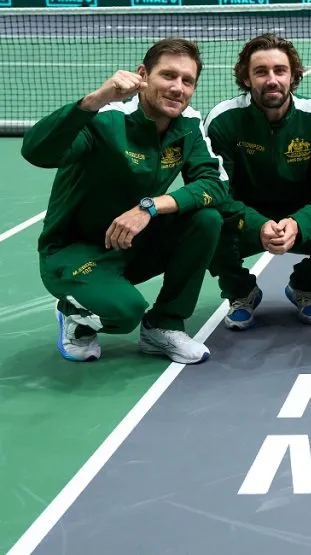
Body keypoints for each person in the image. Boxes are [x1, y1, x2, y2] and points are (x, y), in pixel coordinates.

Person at [21, 38, 228, 364]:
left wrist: (150, 207)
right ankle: (73, 313)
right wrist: (94, 100)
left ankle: (164, 324)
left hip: (133, 243)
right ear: (142, 74)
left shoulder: (187, 123)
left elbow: (213, 185)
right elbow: (37, 152)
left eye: (187, 81)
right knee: (126, 312)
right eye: (168, 76)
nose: (178, 88)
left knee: (207, 219)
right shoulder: (105, 119)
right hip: (75, 251)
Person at [204, 34, 311, 330]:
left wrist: (299, 223)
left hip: (301, 215)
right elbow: (217, 192)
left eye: (280, 71)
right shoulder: (223, 121)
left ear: (293, 76)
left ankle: (305, 285)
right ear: (246, 77)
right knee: (202, 224)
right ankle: (241, 292)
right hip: (245, 217)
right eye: (261, 72)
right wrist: (257, 224)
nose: (272, 79)